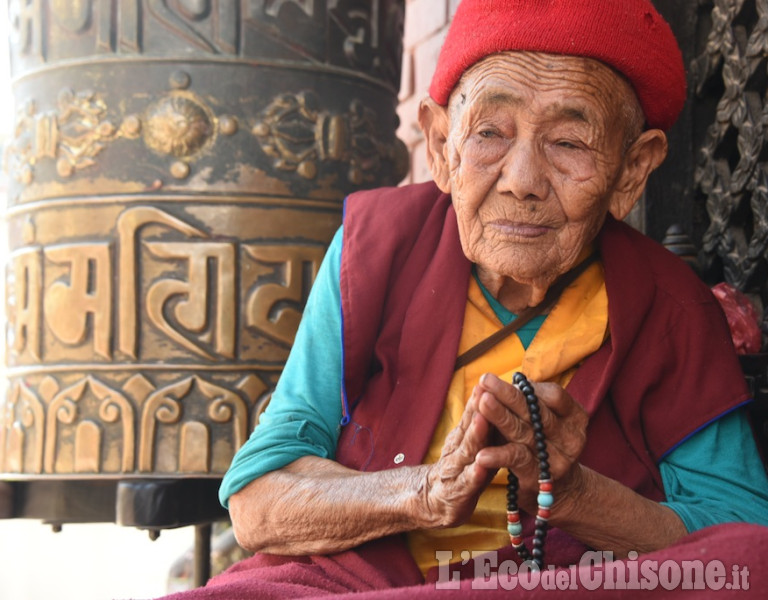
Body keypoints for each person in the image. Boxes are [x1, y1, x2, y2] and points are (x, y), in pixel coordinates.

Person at [160, 0, 768, 598]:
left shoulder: (669, 307)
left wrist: (575, 493)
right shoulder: (377, 249)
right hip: (370, 579)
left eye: (570, 143)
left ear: (632, 170)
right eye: (489, 134)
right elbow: (259, 501)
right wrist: (426, 490)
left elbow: (743, 531)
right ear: (441, 144)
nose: (523, 180)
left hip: (564, 581)